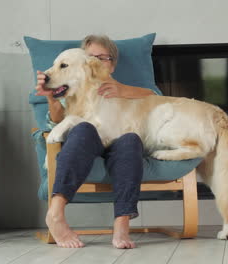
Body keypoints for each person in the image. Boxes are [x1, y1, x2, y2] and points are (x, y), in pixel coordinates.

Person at [35, 35, 157, 249]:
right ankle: (55, 214)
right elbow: (55, 121)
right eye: (91, 57)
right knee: (82, 128)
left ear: (112, 65)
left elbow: (154, 97)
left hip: (118, 144)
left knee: (131, 140)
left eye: (103, 58)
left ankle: (122, 223)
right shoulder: (69, 89)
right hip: (86, 145)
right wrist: (51, 97)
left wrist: (123, 91)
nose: (96, 63)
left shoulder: (123, 88)